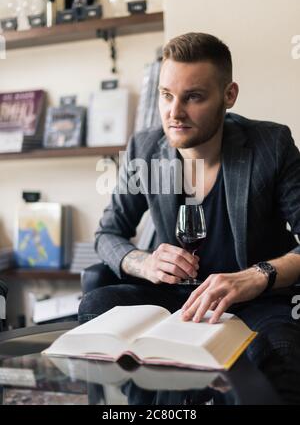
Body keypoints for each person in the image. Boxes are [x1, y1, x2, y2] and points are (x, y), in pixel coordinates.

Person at [79, 32, 300, 403]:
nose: (174, 113)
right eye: (166, 95)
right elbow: (108, 234)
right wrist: (143, 262)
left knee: (281, 353)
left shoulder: (271, 145)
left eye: (193, 97)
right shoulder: (145, 149)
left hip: (256, 301)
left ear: (229, 95)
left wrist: (257, 276)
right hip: (177, 296)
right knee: (95, 306)